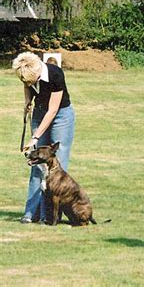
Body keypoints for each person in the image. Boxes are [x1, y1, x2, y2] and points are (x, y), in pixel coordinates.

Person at [12, 52, 75, 224]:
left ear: (38, 72)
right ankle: (31, 213)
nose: (28, 84)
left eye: (30, 81)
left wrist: (35, 137)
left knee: (57, 166)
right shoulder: (28, 75)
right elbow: (27, 86)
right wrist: (27, 102)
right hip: (39, 112)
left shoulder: (55, 74)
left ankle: (51, 215)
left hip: (61, 116)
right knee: (36, 163)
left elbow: (53, 110)